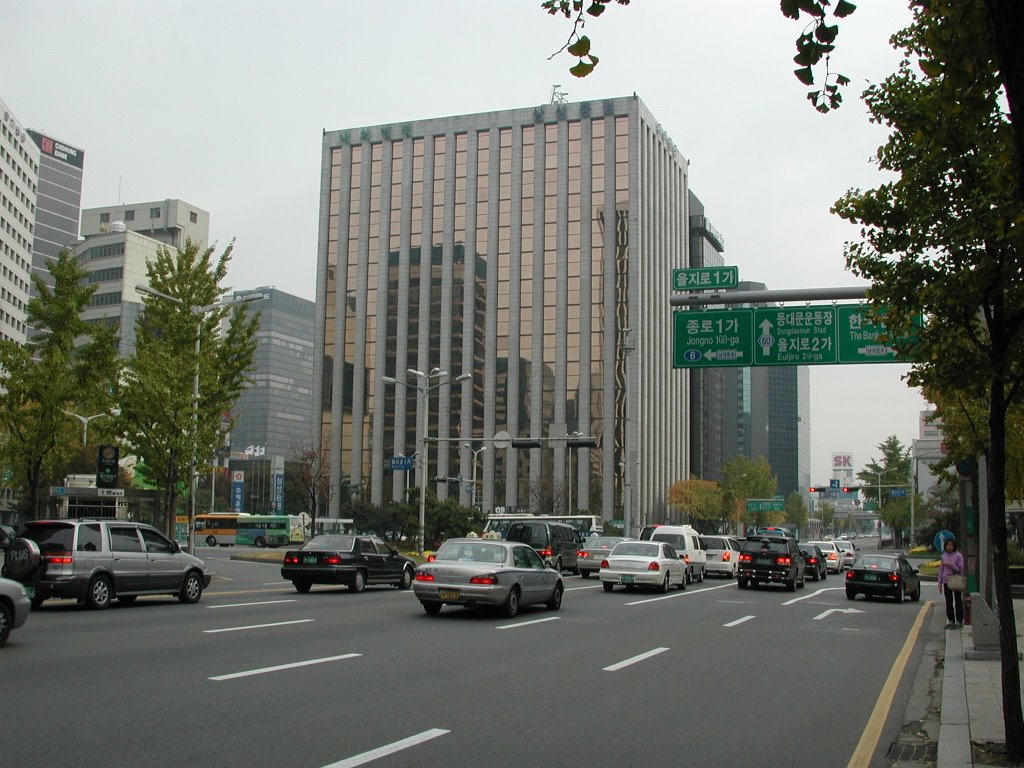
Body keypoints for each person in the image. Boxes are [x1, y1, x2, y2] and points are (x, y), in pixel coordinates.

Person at [937, 536, 965, 629]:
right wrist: (939, 583)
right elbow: (941, 570)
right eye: (947, 545)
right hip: (946, 581)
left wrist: (951, 565)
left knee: (958, 601)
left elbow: (960, 570)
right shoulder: (943, 556)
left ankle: (959, 620)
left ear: (954, 546)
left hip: (955, 579)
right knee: (948, 601)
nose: (949, 546)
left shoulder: (958, 556)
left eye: (951, 545)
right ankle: (951, 620)